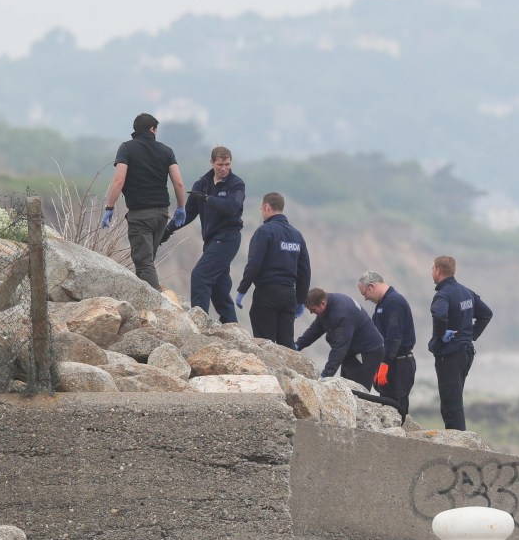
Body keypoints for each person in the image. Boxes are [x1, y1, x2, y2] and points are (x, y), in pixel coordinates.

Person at [160, 146, 244, 323]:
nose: (224, 169)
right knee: (220, 289)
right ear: (212, 162)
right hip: (212, 240)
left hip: (228, 239)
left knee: (200, 276)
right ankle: (232, 327)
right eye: (220, 164)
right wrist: (167, 230)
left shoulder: (236, 184)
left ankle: (198, 324)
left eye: (227, 164)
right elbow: (188, 214)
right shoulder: (202, 184)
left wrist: (207, 198)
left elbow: (231, 207)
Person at [103, 113, 186, 289]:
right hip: (162, 215)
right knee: (146, 263)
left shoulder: (126, 149)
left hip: (140, 215)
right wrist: (181, 207)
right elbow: (178, 182)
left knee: (144, 264)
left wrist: (109, 207)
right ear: (152, 129)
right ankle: (146, 307)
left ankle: (159, 308)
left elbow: (119, 180)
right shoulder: (166, 151)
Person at [235, 192, 311, 346]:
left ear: (266, 207)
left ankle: (268, 371)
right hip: (289, 295)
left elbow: (254, 264)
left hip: (267, 294)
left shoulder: (264, 231)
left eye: (262, 209)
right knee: (286, 345)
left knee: (265, 343)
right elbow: (305, 271)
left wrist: (243, 289)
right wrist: (300, 300)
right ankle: (289, 371)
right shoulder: (297, 235)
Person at [429, 255, 493, 431]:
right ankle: (456, 438)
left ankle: (457, 442)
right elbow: (486, 314)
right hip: (465, 352)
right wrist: (470, 335)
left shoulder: (443, 295)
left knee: (451, 403)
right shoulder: (467, 292)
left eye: (432, 268)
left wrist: (441, 335)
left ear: (438, 270)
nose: (432, 272)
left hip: (450, 354)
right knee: (454, 398)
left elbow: (440, 315)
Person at [295, 287, 384, 389]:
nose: (311, 312)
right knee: (346, 389)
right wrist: (297, 345)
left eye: (313, 310)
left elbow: (339, 348)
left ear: (323, 303)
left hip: (367, 353)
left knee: (357, 392)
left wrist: (325, 376)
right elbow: (315, 330)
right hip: (352, 352)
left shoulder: (341, 314)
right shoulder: (326, 305)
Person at [357, 271, 417, 420]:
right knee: (387, 405)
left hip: (399, 363)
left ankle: (400, 440)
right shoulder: (382, 304)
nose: (365, 298)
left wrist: (385, 363)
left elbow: (394, 337)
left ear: (371, 286)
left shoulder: (393, 302)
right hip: (391, 362)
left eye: (365, 293)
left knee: (397, 405)